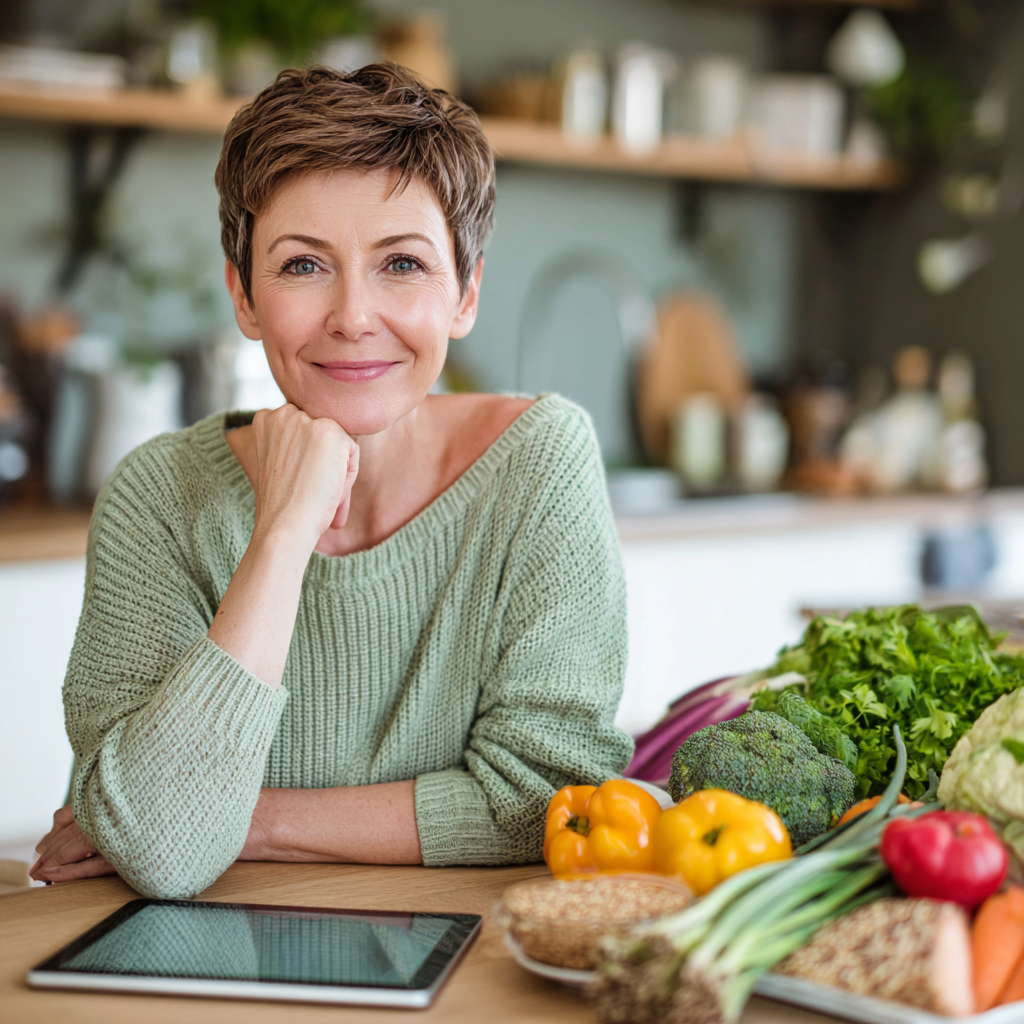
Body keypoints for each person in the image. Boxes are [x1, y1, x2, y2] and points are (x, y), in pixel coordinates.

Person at [30, 64, 632, 900]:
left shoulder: (540, 463)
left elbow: (548, 802)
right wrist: (281, 533)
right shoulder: (157, 497)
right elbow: (165, 856)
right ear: (244, 295)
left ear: (466, 294)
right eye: (304, 266)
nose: (353, 315)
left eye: (404, 264)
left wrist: (249, 818)